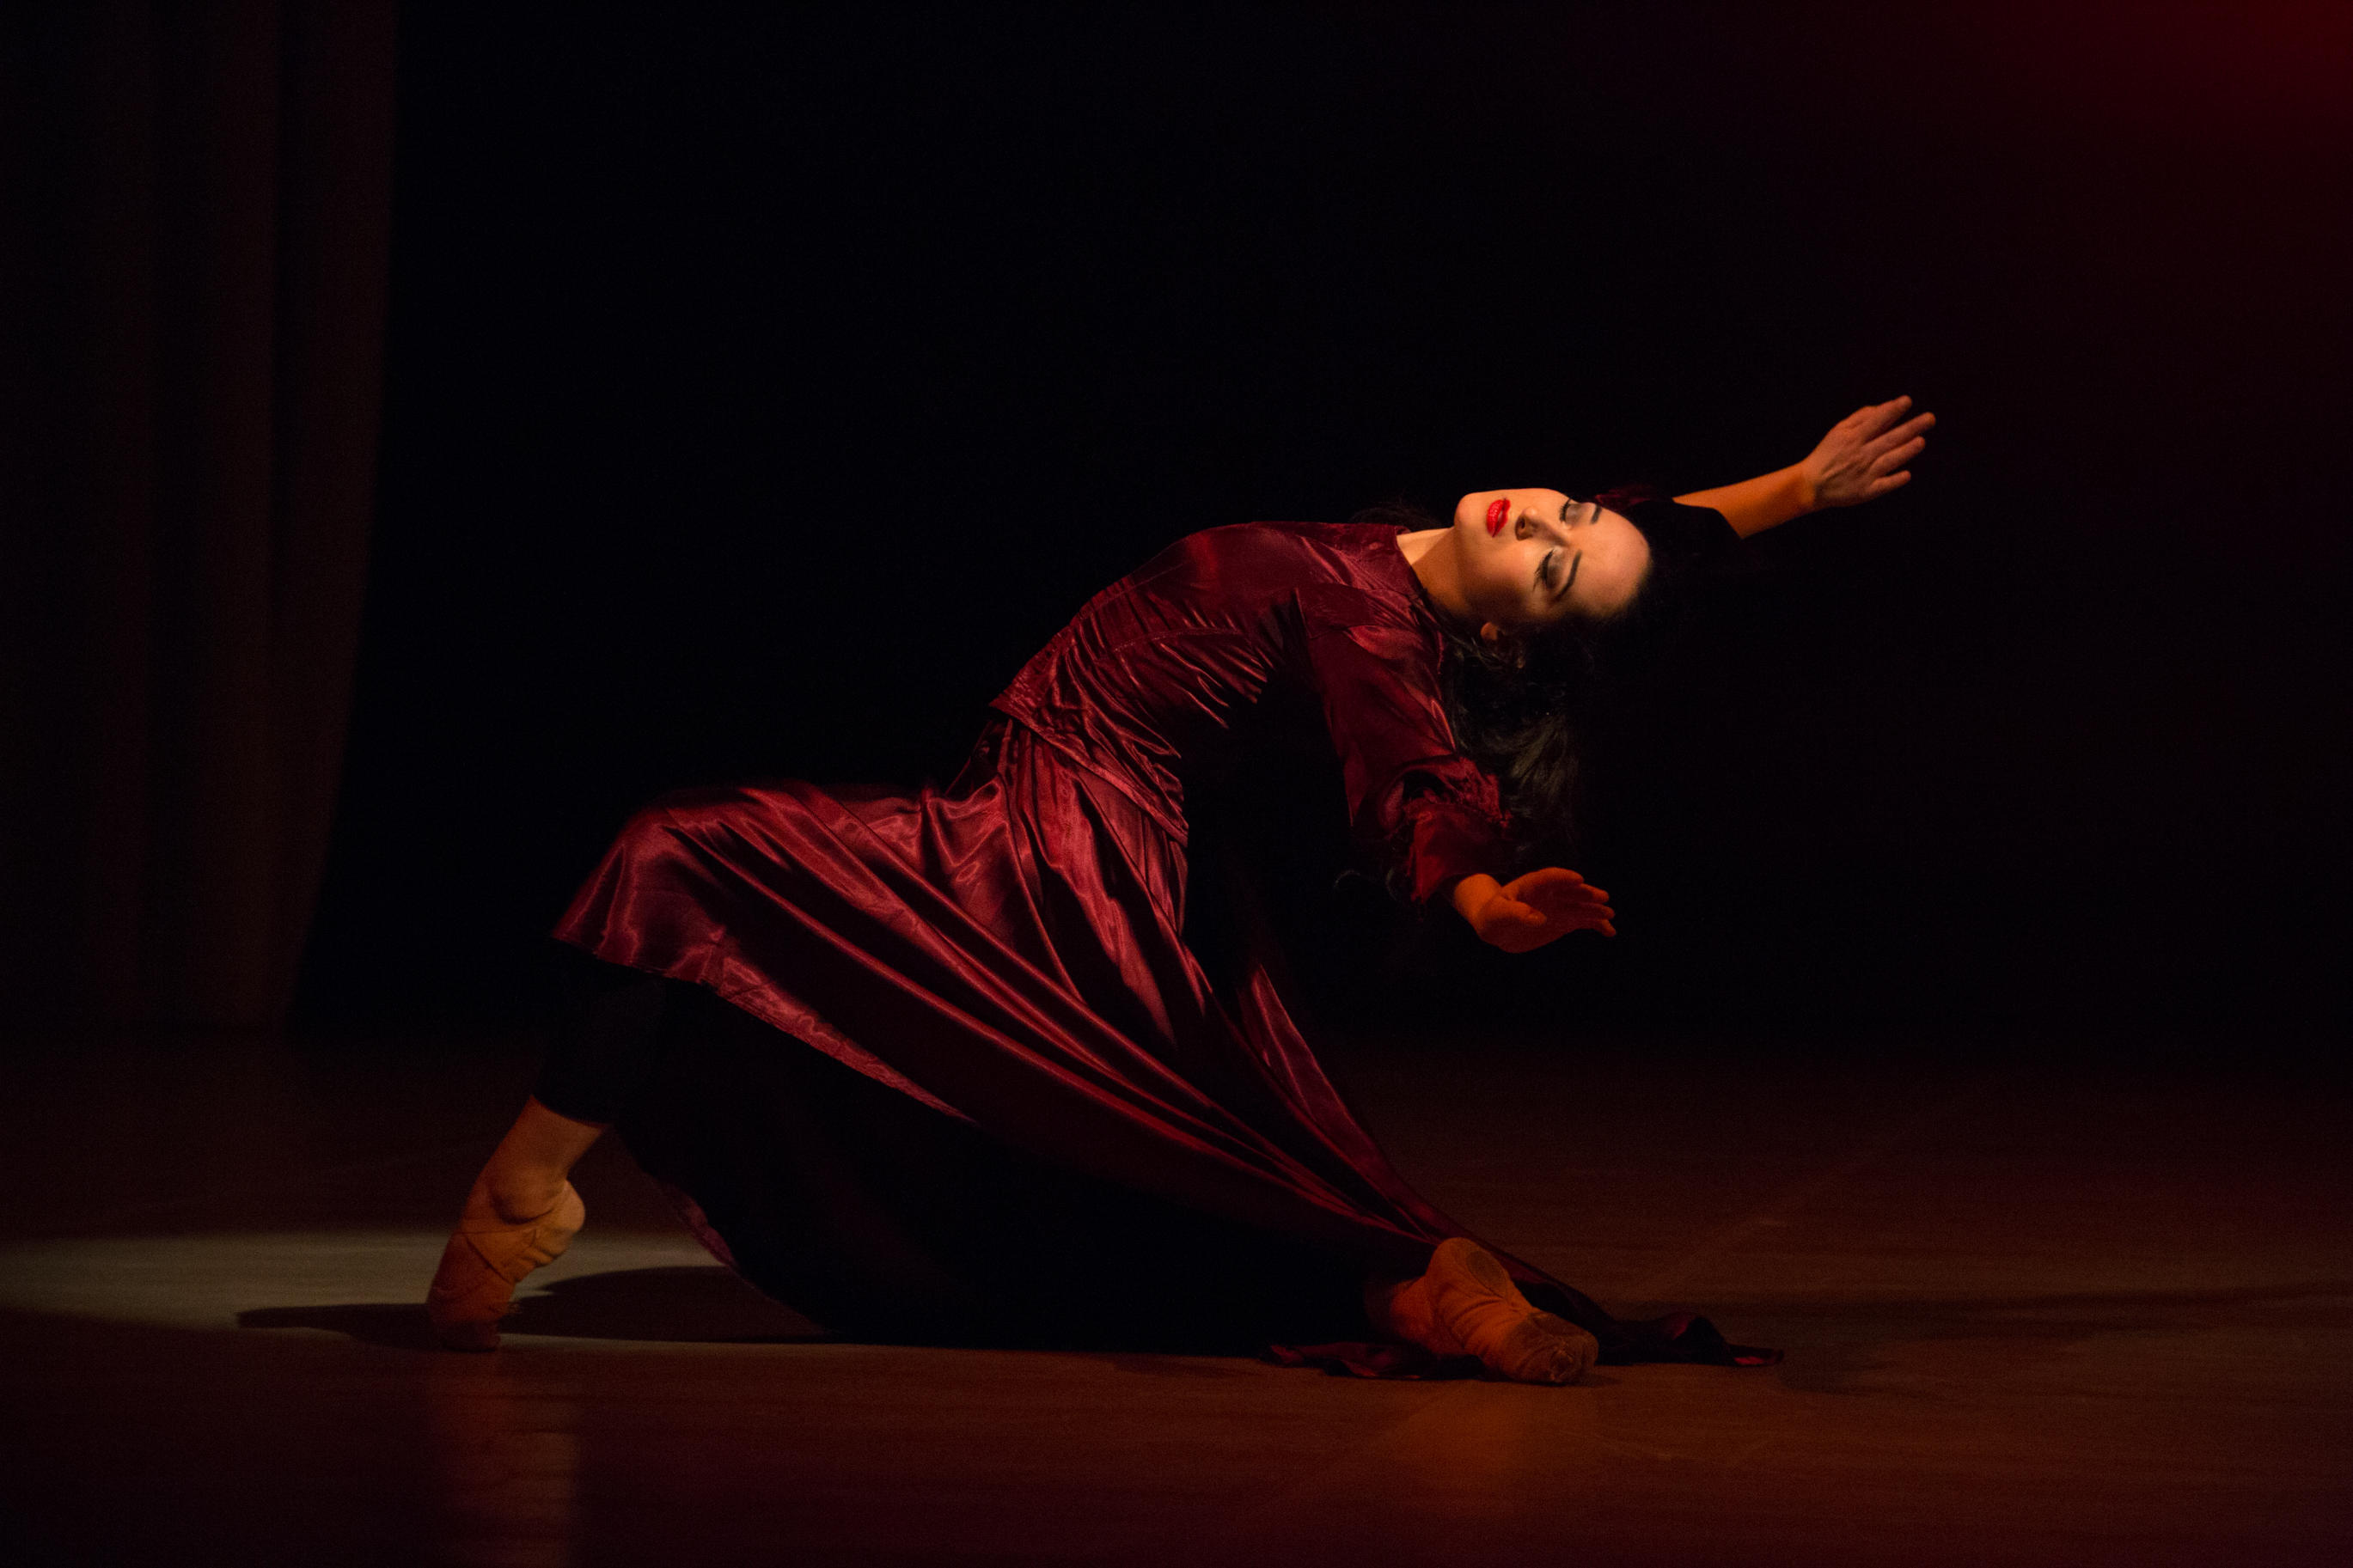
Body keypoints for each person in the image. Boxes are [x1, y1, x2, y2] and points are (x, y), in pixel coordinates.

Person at [425, 396, 1934, 1382]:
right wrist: (1797, 488)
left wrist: (1481, 901)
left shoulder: (1377, 631)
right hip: (1067, 827)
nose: (1535, 526)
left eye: (1550, 569)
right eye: (1562, 515)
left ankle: (522, 1190)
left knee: (681, 851)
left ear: (1509, 643)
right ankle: (1412, 1286)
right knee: (1143, 1157)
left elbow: (1413, 781)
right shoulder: (1410, 554)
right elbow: (1645, 535)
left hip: (1059, 844)